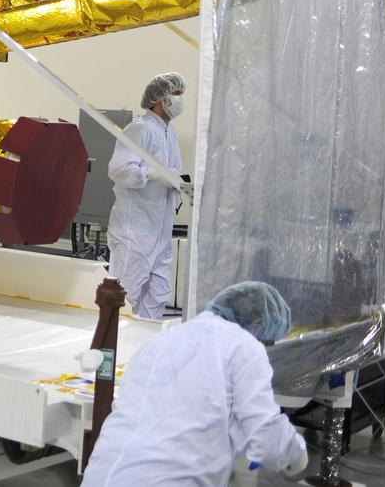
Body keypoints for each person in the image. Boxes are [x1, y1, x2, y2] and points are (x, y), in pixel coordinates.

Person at [81, 281, 309, 486]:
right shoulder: (244, 345)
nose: (266, 348)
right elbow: (265, 435)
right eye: (268, 341)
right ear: (258, 323)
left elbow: (189, 416)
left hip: (103, 475)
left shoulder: (162, 340)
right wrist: (296, 455)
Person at [106, 72, 185, 319]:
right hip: (135, 231)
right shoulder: (140, 128)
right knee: (124, 296)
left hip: (160, 231)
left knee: (157, 295)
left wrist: (176, 181)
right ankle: (110, 348)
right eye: (177, 94)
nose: (181, 100)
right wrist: (152, 174)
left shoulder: (169, 132)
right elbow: (118, 171)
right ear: (162, 99)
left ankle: (142, 352)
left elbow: (172, 171)